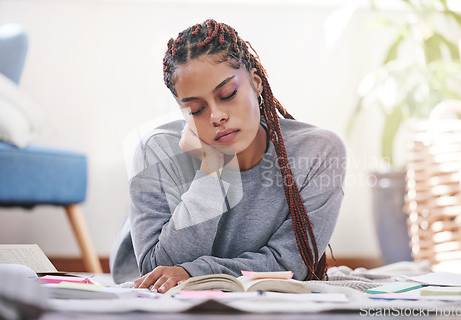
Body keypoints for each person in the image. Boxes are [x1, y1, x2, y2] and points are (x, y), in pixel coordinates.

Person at [109, 19, 346, 293]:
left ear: (256, 83)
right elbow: (158, 271)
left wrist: (195, 273)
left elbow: (291, 263)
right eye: (196, 109)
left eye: (228, 94)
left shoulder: (317, 152)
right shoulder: (155, 151)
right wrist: (214, 169)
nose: (216, 116)